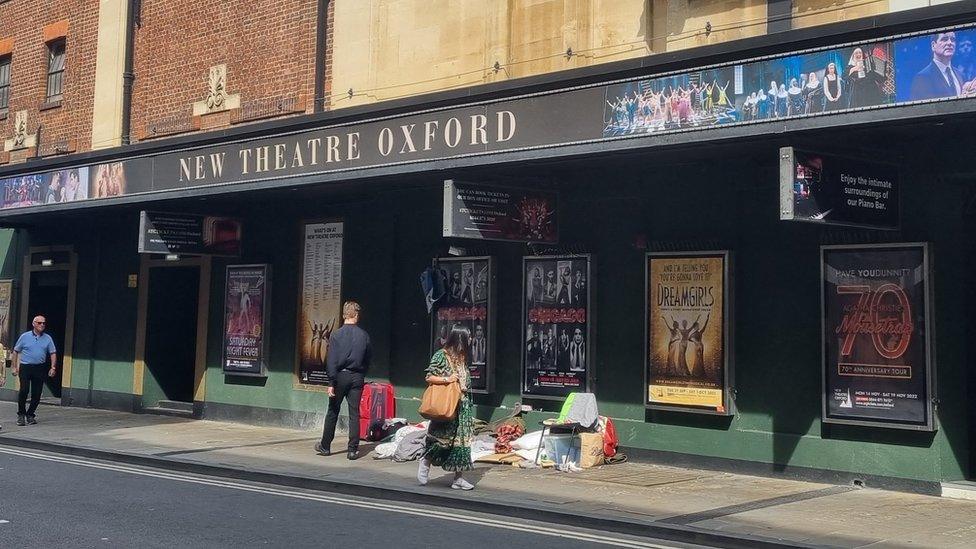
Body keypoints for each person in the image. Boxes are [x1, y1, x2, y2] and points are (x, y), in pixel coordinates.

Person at [417, 325, 475, 490]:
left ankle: (458, 478)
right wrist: (448, 379)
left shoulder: (463, 357)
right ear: (460, 339)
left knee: (462, 444)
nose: (470, 340)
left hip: (462, 407)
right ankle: (425, 461)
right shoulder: (441, 356)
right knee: (441, 440)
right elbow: (429, 376)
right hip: (446, 406)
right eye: (468, 337)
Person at [315, 301, 371, 460]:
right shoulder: (364, 335)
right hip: (357, 377)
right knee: (355, 413)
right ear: (357, 315)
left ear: (344, 315)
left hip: (340, 376)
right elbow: (368, 358)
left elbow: (331, 360)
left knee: (333, 410)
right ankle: (352, 450)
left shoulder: (336, 335)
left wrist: (331, 382)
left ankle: (325, 446)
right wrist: (361, 373)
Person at [12, 316, 57, 426]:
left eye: (44, 323)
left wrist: (53, 367)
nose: (42, 325)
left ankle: (30, 414)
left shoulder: (47, 338)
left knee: (37, 394)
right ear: (34, 324)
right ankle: (21, 415)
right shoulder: (25, 336)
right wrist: (14, 366)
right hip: (26, 367)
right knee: (24, 390)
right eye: (39, 323)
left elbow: (53, 353)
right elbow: (15, 351)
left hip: (39, 368)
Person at [910, 32, 962, 100]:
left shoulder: (960, 75)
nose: (950, 43)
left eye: (953, 39)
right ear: (933, 45)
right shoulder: (922, 77)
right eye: (944, 39)